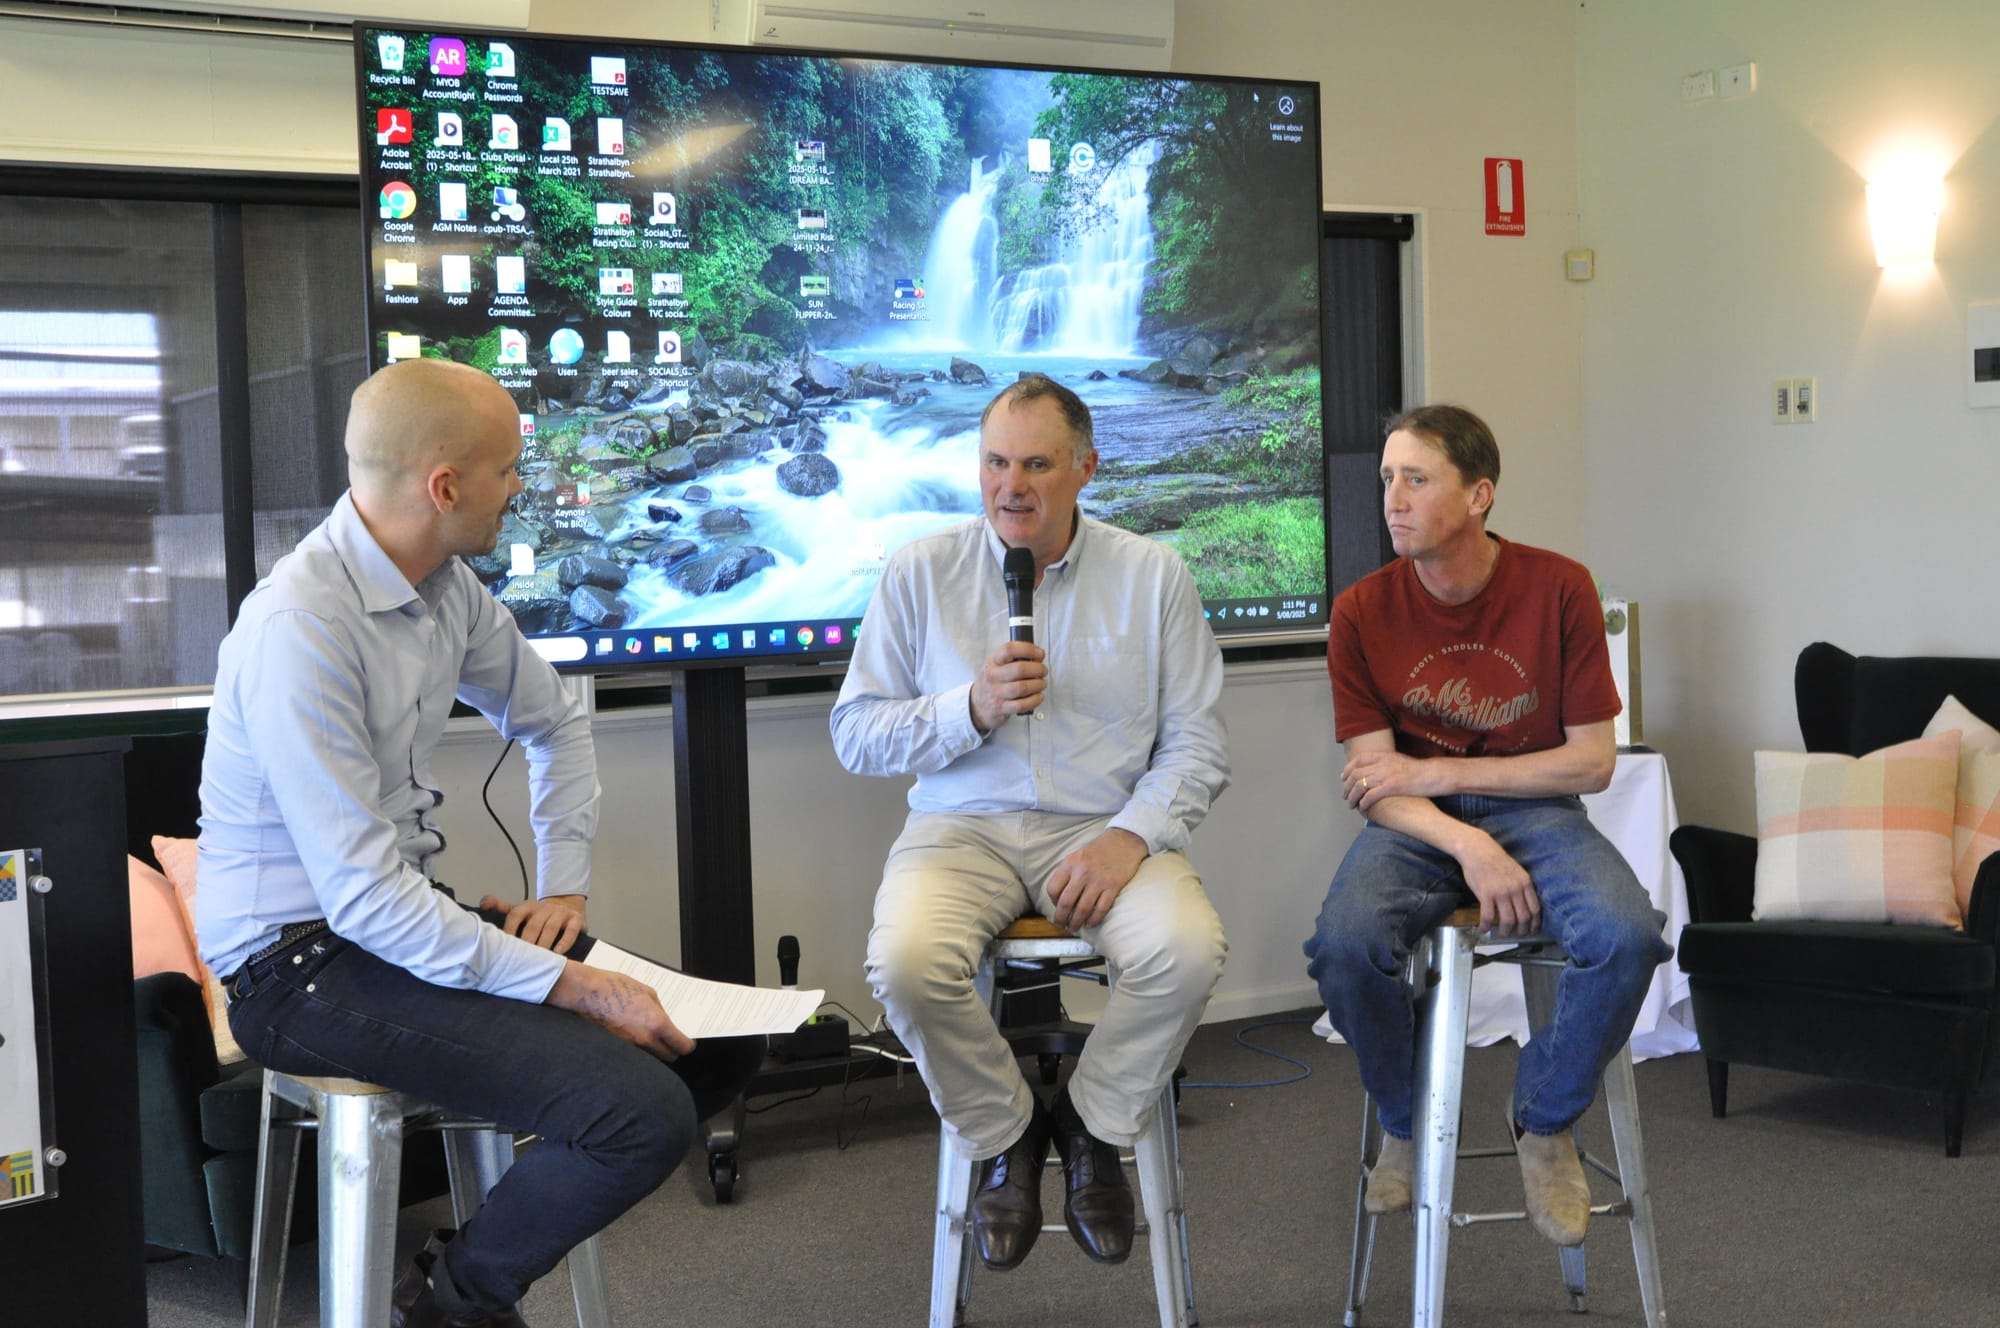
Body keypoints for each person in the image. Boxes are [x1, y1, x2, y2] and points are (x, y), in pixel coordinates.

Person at [196, 358, 762, 1328]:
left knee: (721, 1042)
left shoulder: (446, 588)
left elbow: (555, 723)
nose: (522, 488)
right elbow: (363, 900)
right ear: (445, 486)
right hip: (295, 967)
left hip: (392, 923)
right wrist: (576, 986)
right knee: (639, 1115)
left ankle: (455, 1273)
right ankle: (456, 1303)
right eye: (509, 469)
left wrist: (564, 892)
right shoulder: (300, 628)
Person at [830, 374, 1229, 1272]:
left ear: (1086, 468)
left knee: (1186, 951)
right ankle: (1008, 1134)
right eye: (995, 463)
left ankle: (1090, 1122)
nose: (1011, 487)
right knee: (904, 964)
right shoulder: (920, 571)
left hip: (1106, 825)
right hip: (959, 828)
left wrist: (1130, 837)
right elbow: (855, 734)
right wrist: (967, 708)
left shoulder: (1153, 575)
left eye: (1037, 466)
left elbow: (1199, 743)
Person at [1303, 404, 1671, 1247]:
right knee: (1344, 946)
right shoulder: (1361, 610)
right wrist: (1468, 844)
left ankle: (1543, 1120)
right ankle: (1406, 1121)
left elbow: (1591, 764)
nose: (1393, 499)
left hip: (1539, 811)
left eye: (1416, 478)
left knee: (1627, 937)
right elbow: (1375, 784)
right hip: (1415, 826)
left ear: (1479, 495)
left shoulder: (1560, 587)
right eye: (1387, 478)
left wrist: (1438, 773)